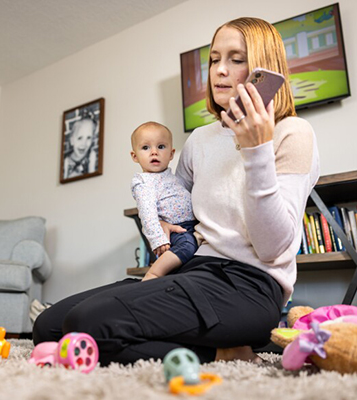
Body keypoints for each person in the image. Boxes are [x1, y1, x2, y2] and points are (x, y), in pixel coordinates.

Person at [33, 17, 320, 366]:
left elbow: (273, 248)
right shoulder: (201, 139)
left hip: (248, 287)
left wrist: (256, 148)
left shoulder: (293, 132)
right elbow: (174, 202)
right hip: (189, 269)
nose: (219, 71)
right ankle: (217, 351)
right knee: (48, 327)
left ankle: (224, 352)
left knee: (86, 324)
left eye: (236, 59)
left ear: (264, 67)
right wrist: (163, 221)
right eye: (214, 59)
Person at [130, 121, 198, 281]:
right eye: (145, 148)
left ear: (171, 154)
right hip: (174, 230)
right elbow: (147, 213)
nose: (154, 152)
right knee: (186, 247)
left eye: (161, 147)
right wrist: (158, 239)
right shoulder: (143, 182)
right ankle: (153, 274)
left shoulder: (171, 177)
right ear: (134, 156)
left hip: (190, 226)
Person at [63, 111, 98, 179]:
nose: (84, 143)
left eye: (88, 138)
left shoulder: (91, 155)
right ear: (72, 141)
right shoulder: (67, 160)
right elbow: (64, 179)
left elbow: (92, 178)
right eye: (79, 138)